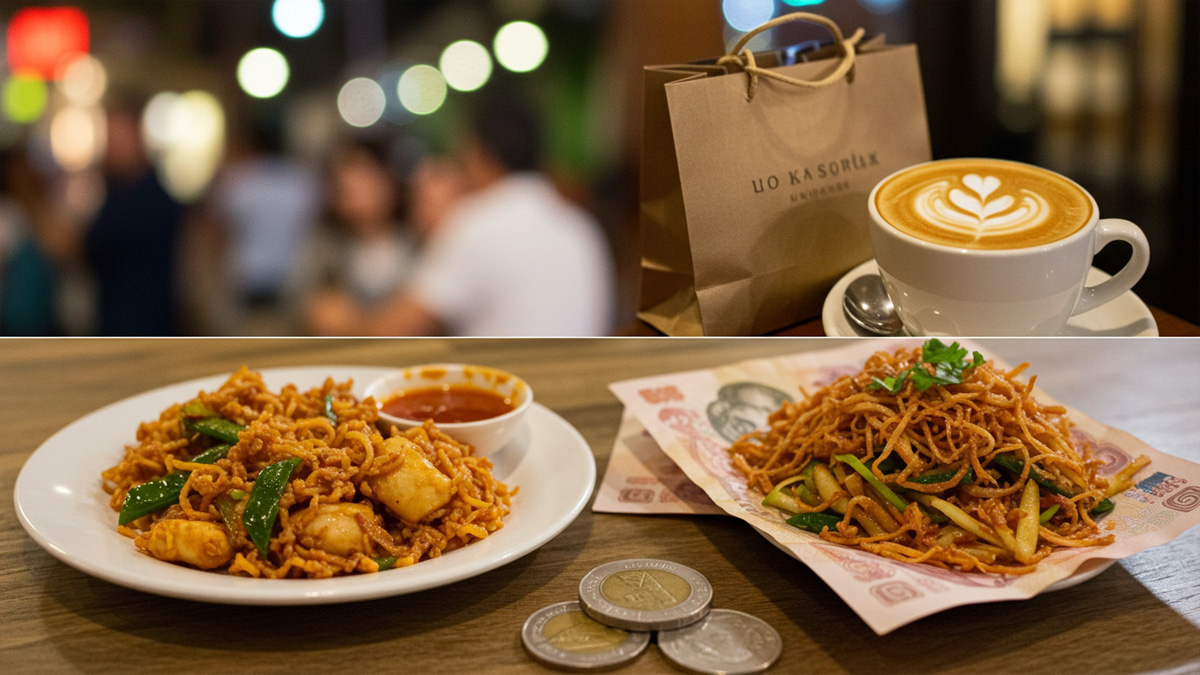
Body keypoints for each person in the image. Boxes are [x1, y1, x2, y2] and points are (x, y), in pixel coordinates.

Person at [306, 98, 614, 336]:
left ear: (479, 155)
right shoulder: (582, 225)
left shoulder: (475, 223)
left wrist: (343, 322)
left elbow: (389, 331)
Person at [84, 94, 186, 335]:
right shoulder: (118, 192)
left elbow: (80, 250)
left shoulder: (149, 200)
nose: (110, 146)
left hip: (146, 328)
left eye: (118, 136)